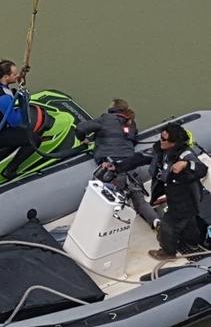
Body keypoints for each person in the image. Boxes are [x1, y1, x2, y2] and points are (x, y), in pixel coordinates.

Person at [75, 99, 160, 228]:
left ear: (113, 108)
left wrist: (84, 139)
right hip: (130, 164)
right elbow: (131, 139)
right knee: (139, 201)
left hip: (110, 167)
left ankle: (90, 227)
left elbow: (80, 128)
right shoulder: (130, 124)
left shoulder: (105, 119)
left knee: (97, 197)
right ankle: (156, 221)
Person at [147, 123, 208, 260]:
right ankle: (193, 243)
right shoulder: (162, 151)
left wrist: (186, 164)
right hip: (173, 193)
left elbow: (201, 168)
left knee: (168, 225)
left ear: (174, 142)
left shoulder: (185, 155)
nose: (161, 140)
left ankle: (168, 252)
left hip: (184, 198)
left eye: (164, 139)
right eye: (161, 137)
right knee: (189, 221)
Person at [0, 59, 41, 179]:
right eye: (14, 74)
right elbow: (16, 122)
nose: (17, 76)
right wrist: (24, 100)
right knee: (34, 139)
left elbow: (4, 93)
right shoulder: (3, 99)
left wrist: (20, 76)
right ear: (5, 76)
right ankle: (10, 169)